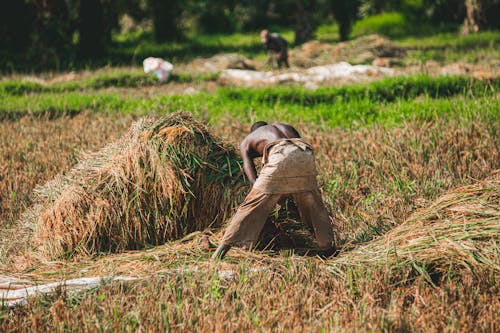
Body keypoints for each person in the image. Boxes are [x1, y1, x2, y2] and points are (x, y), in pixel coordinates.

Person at [211, 121, 336, 260]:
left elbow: (253, 176)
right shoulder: (286, 127)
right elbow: (293, 157)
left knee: (249, 208)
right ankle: (329, 247)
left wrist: (260, 192)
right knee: (314, 206)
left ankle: (220, 251)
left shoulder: (248, 140)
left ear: (253, 132)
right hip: (305, 153)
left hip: (279, 154)